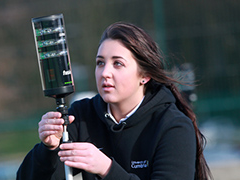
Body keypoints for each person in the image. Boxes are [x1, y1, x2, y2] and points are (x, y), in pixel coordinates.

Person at [17, 22, 212, 180]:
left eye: (117, 63)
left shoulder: (173, 126)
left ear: (144, 75)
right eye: (100, 63)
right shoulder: (81, 116)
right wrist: (49, 150)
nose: (105, 73)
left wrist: (107, 169)